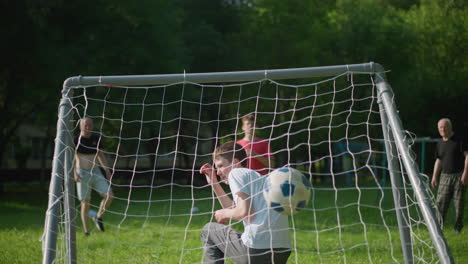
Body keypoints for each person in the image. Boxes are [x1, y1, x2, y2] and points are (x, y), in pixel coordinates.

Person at [199, 141, 291, 264]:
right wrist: (214, 184)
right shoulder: (258, 178)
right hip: (282, 250)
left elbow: (244, 212)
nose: (218, 172)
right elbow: (235, 207)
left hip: (256, 250)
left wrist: (223, 213)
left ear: (236, 163)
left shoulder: (236, 172)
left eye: (220, 166)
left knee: (209, 230)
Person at [74, 117, 113, 235]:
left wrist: (106, 170)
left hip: (96, 171)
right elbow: (71, 159)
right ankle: (87, 232)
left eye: (90, 125)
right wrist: (74, 173)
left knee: (109, 195)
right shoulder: (76, 140)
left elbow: (100, 155)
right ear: (80, 126)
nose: (88, 127)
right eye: (86, 125)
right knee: (85, 203)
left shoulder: (97, 138)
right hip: (82, 173)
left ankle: (98, 216)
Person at [431, 118, 468, 234]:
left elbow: (467, 156)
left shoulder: (459, 140)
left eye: (444, 127)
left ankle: (457, 227)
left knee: (458, 204)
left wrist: (465, 174)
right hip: (444, 177)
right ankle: (438, 228)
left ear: (450, 127)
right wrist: (434, 176)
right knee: (440, 203)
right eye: (440, 128)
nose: (442, 129)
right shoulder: (439, 143)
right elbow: (439, 160)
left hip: (458, 176)